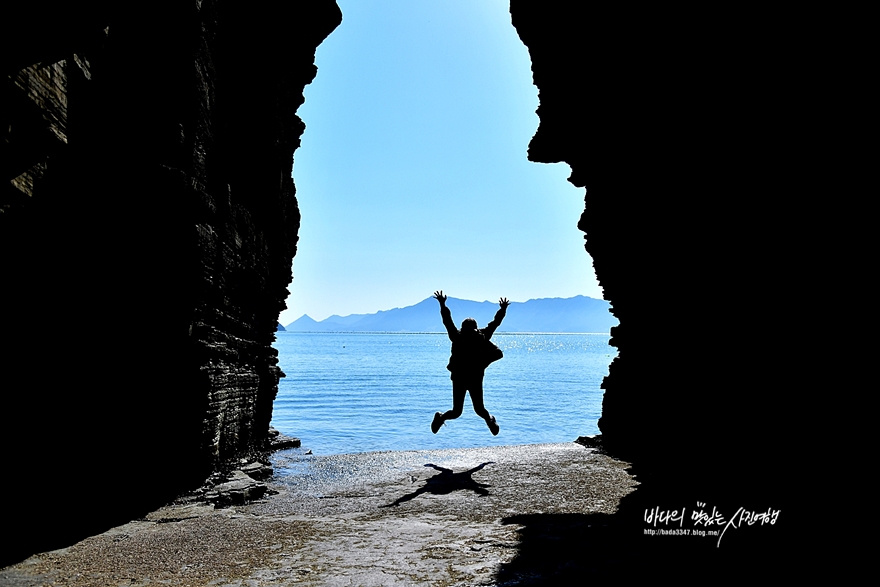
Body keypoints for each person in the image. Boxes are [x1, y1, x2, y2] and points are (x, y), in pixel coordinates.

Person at [431, 290, 510, 436]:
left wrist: (442, 304)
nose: (469, 335)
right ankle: (441, 418)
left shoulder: (473, 336)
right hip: (462, 378)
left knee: (477, 409)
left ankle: (490, 420)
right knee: (459, 411)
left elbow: (447, 320)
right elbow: (447, 320)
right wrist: (503, 309)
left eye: (471, 332)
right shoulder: (462, 336)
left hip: (471, 378)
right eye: (467, 332)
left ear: (474, 330)